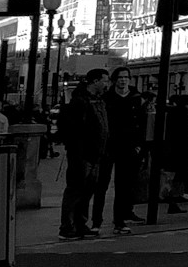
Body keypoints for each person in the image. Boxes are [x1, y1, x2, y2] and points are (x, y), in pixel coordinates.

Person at [58, 69, 111, 239]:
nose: (106, 84)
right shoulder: (80, 101)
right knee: (75, 190)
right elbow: (74, 129)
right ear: (95, 81)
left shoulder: (98, 100)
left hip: (95, 152)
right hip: (82, 153)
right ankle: (68, 226)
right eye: (105, 80)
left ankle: (80, 223)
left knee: (87, 190)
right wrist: (79, 150)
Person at [95, 66, 146, 234]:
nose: (123, 80)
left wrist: (139, 144)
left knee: (123, 186)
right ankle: (96, 221)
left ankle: (119, 220)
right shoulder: (106, 98)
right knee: (101, 184)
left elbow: (142, 122)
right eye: (120, 77)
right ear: (114, 80)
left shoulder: (136, 98)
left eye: (126, 77)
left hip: (128, 146)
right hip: (109, 145)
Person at [161, 94, 188, 213]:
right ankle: (172, 198)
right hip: (180, 151)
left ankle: (172, 199)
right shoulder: (183, 115)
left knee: (173, 176)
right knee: (178, 177)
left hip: (173, 150)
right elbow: (185, 133)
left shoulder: (173, 113)